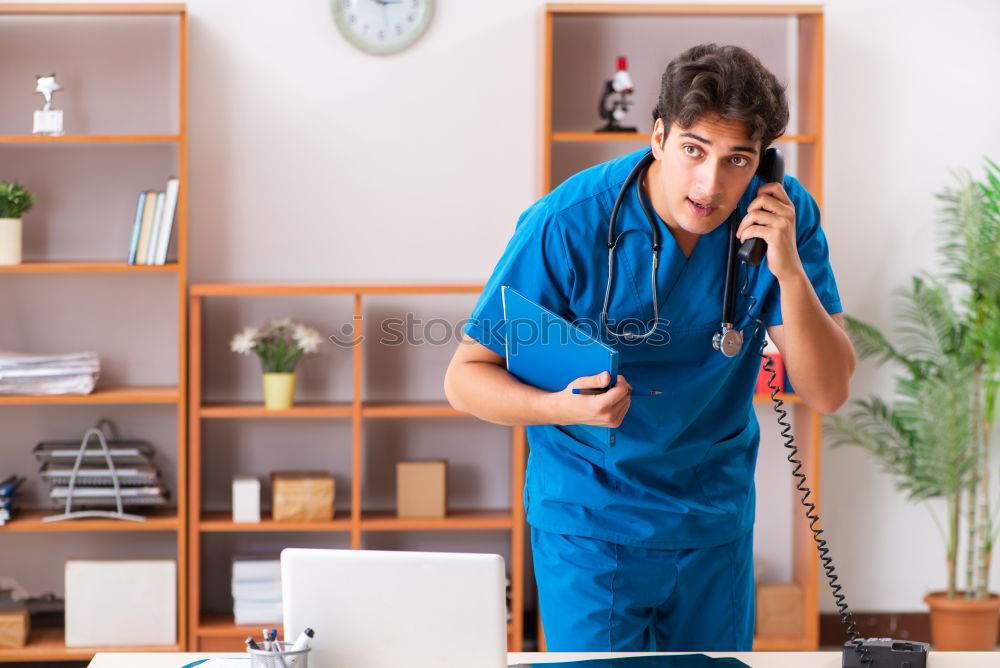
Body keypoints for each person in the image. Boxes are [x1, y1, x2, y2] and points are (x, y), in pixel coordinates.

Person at [444, 43, 856, 651]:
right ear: (658, 137)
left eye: (737, 160)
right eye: (694, 150)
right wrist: (567, 407)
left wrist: (789, 272)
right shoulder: (571, 223)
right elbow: (465, 378)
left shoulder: (783, 221)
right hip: (590, 519)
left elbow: (827, 391)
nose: (711, 184)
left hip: (710, 518)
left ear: (764, 163)